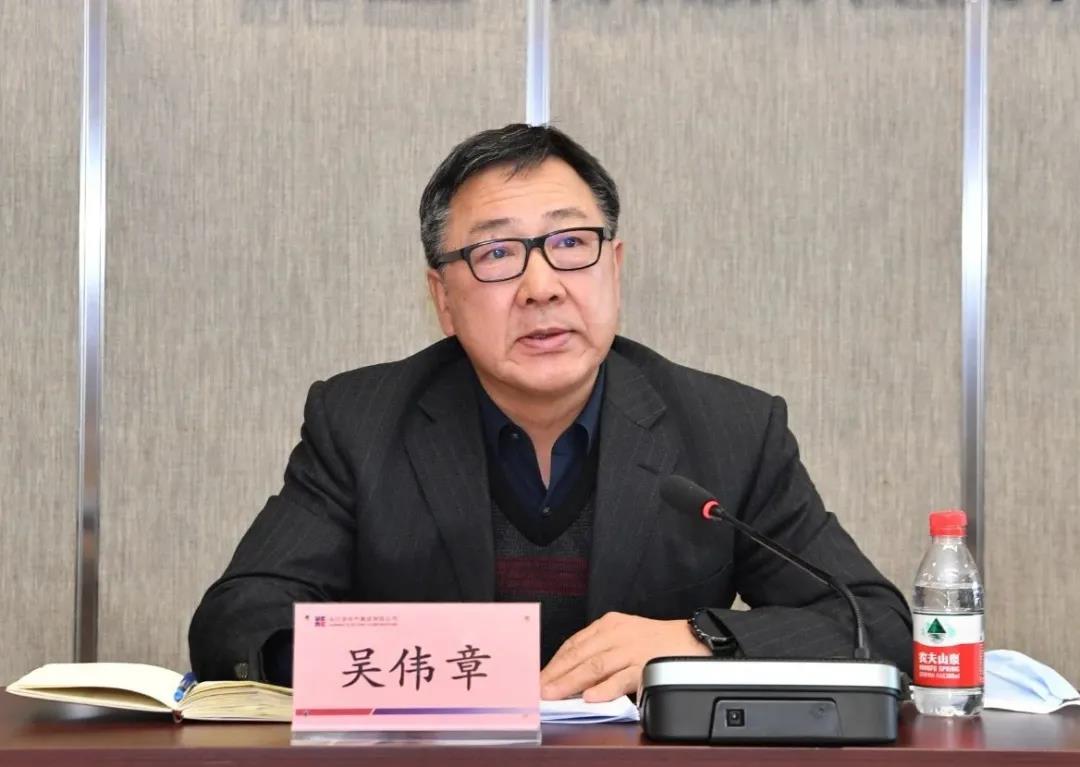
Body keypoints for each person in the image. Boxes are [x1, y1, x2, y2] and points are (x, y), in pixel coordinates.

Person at [189, 124, 912, 702]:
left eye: (570, 244)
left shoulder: (731, 430)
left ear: (614, 267)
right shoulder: (360, 423)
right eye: (497, 253)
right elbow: (238, 622)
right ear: (443, 299)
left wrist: (695, 641)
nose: (542, 286)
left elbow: (874, 624)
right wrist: (444, 665)